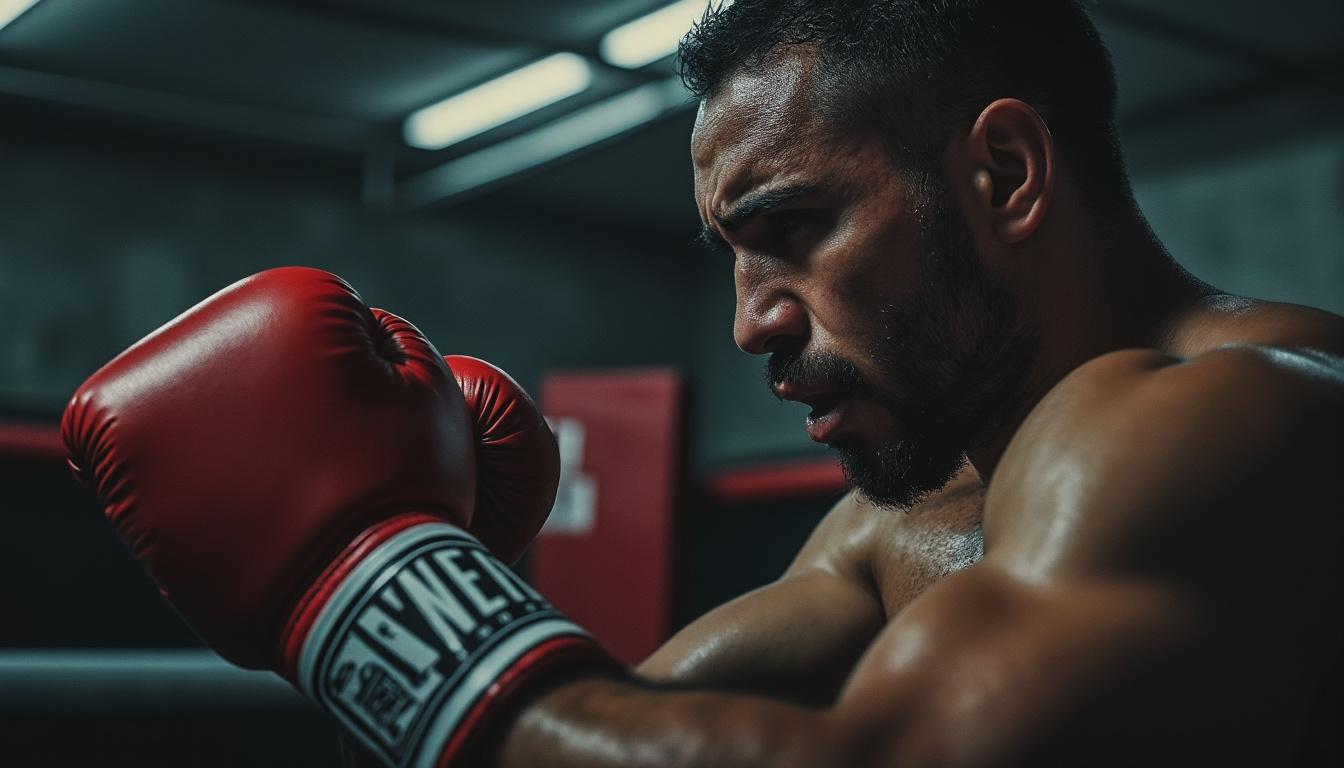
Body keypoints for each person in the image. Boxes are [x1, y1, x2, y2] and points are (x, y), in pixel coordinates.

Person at [64, 1, 1344, 766]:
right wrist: (456, 581)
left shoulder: (1235, 418)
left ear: (1003, 173)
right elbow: (606, 733)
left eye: (791, 229)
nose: (750, 324)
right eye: (732, 257)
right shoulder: (894, 530)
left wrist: (366, 582)